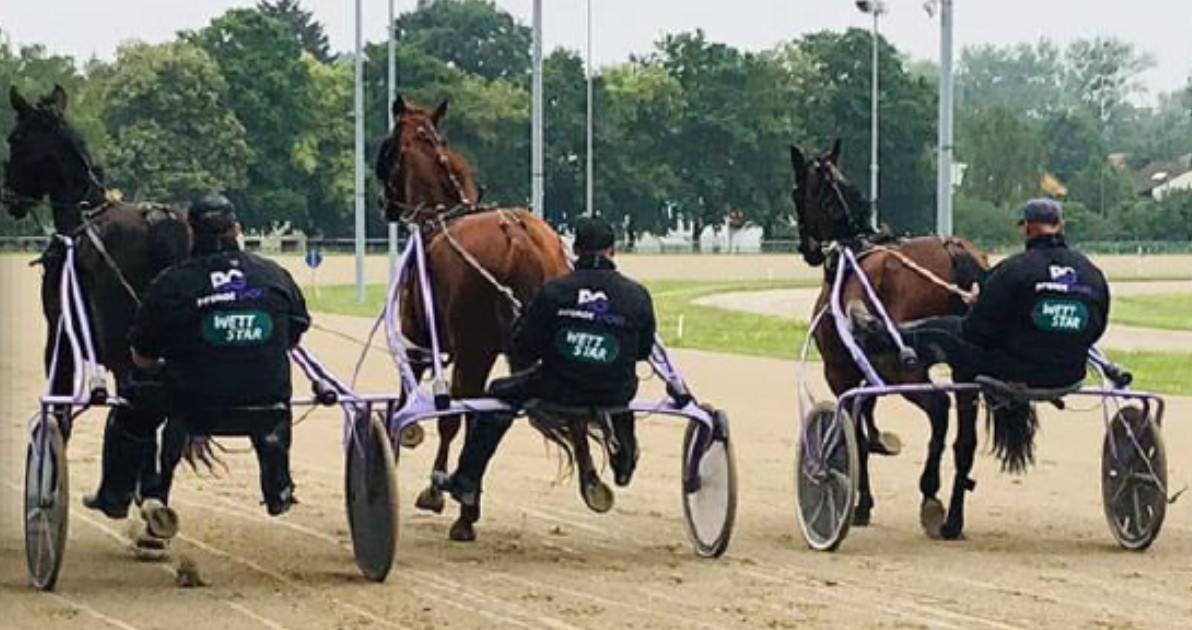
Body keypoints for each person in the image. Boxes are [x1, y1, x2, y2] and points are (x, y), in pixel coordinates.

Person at [86, 193, 310, 533]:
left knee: (130, 410)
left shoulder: (171, 284)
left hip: (191, 406)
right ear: (236, 229)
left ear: (191, 233)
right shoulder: (274, 275)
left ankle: (116, 496)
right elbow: (295, 330)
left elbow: (142, 355)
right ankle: (278, 484)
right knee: (265, 386)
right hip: (270, 403)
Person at [443, 216, 657, 505]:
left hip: (558, 390)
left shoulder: (554, 292)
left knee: (497, 394)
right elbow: (642, 351)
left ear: (575, 251)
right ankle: (625, 455)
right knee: (612, 384)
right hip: (616, 391)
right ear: (613, 251)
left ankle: (467, 479)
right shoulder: (637, 295)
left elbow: (525, 350)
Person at [853, 198, 1109, 389]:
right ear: (1061, 226)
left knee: (944, 328)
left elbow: (977, 331)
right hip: (1071, 374)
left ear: (1028, 229)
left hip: (1015, 372)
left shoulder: (1014, 270)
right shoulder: (1092, 273)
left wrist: (978, 303)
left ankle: (881, 334)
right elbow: (1096, 328)